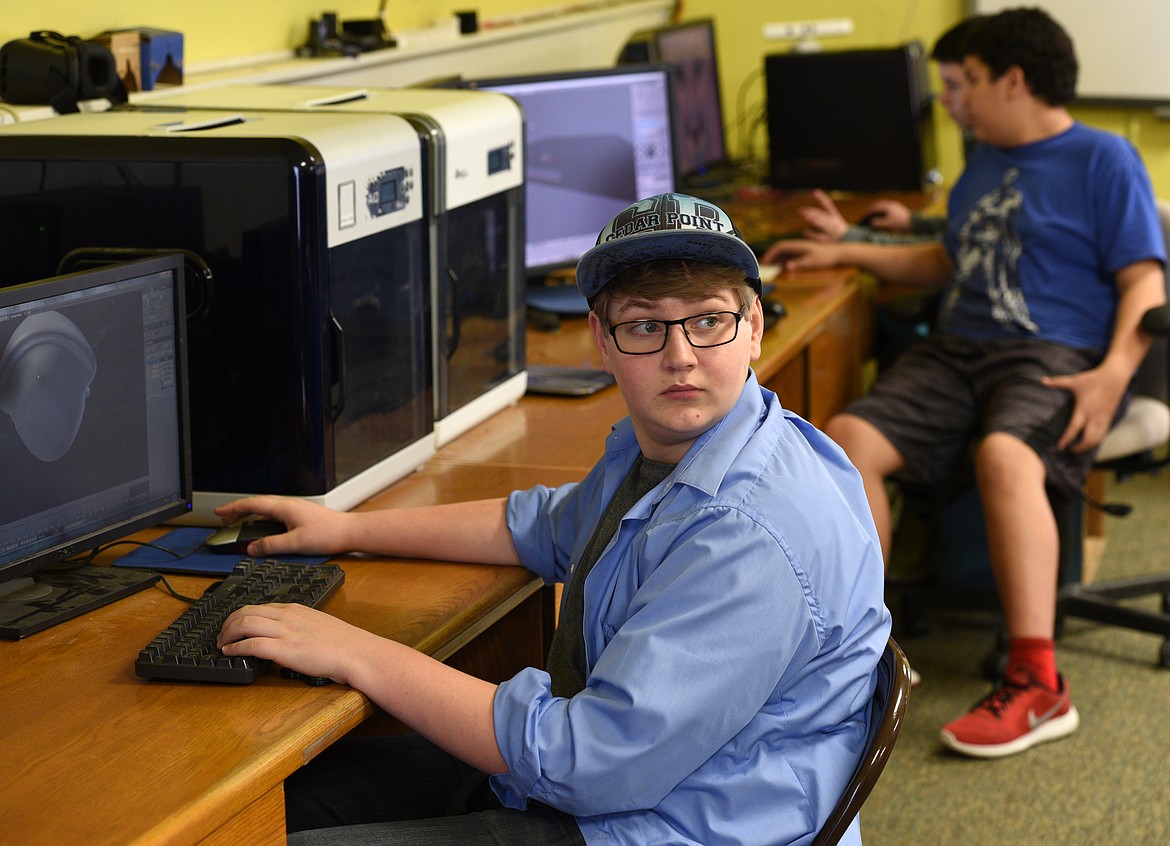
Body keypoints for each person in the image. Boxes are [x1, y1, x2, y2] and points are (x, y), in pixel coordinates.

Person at [213, 192, 891, 845]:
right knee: (272, 811)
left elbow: (587, 763)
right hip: (631, 779)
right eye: (645, 325)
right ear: (602, 338)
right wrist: (346, 530)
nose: (680, 355)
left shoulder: (747, 528)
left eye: (709, 320)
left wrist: (353, 651)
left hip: (664, 820)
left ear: (755, 326)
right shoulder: (677, 449)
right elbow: (547, 526)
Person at [763, 8, 1167, 759]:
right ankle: (852, 665)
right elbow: (948, 263)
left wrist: (1113, 375)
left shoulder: (1103, 158)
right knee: (849, 440)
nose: (950, 99)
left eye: (966, 82)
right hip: (959, 353)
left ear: (1013, 80)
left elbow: (1144, 280)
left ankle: (1040, 683)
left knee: (1006, 456)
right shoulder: (984, 156)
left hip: (1055, 353)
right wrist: (853, 250)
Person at [795, 18, 979, 244]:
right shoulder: (980, 141)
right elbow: (967, 229)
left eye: (953, 85)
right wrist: (913, 222)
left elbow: (947, 253)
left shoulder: (1002, 156)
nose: (942, 99)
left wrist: (850, 238)